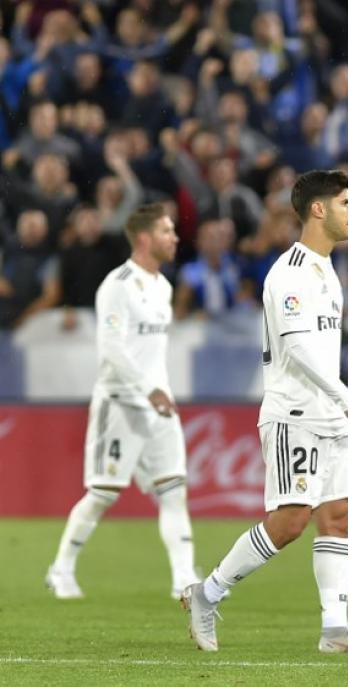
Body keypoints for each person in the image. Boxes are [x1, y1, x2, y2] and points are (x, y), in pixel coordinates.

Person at [182, 170, 348, 655]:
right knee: (291, 521)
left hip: (327, 414)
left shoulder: (326, 270)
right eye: (346, 202)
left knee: (337, 516)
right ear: (318, 210)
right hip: (294, 412)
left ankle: (335, 630)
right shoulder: (291, 272)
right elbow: (297, 349)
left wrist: (338, 405)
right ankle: (207, 593)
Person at [45, 203, 199, 600]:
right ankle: (60, 569)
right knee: (102, 494)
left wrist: (158, 391)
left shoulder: (163, 287)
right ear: (145, 238)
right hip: (121, 403)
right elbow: (112, 348)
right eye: (167, 231)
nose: (175, 238)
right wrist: (149, 388)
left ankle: (184, 578)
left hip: (159, 407)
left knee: (173, 490)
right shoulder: (117, 285)